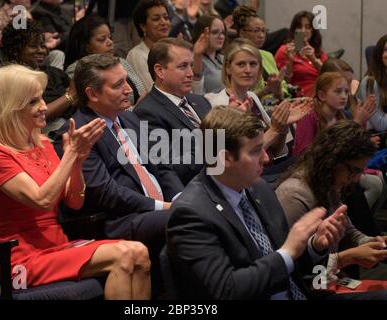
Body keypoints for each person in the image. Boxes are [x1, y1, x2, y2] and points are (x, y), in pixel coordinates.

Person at [0, 64, 151, 299]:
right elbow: (42, 200)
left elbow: (74, 202)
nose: (43, 107)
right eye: (32, 102)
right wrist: (70, 155)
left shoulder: (43, 144)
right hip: (22, 261)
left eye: (41, 99)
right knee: (124, 255)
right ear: (11, 107)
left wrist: (77, 161)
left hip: (58, 246)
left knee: (139, 253)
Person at [166, 106, 368, 300]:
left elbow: (292, 266)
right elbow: (227, 290)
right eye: (256, 151)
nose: (265, 159)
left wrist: (315, 247)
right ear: (225, 158)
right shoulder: (191, 214)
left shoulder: (258, 188)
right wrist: (288, 251)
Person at [53, 54, 184, 265]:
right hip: (119, 220)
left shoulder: (129, 118)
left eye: (126, 80)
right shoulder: (77, 135)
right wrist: (163, 207)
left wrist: (178, 198)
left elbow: (161, 166)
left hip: (157, 208)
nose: (129, 89)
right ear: (93, 94)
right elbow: (105, 193)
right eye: (118, 85)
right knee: (188, 218)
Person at [276, 120, 387, 283]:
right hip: (311, 287)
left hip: (326, 279)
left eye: (360, 171)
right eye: (353, 170)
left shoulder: (328, 181)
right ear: (333, 160)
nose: (356, 178)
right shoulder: (294, 195)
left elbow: (348, 230)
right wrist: (346, 258)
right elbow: (295, 271)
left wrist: (372, 243)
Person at [204, 40, 311, 161]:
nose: (248, 70)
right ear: (228, 68)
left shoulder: (252, 96)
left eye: (253, 64)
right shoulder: (219, 103)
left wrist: (283, 126)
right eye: (241, 64)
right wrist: (275, 130)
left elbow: (276, 151)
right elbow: (235, 157)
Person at [134, 37, 212, 185]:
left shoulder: (201, 102)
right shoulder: (146, 112)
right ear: (160, 71)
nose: (190, 73)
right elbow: (171, 170)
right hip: (194, 191)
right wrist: (214, 143)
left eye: (191, 65)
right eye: (183, 67)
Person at [1, 20, 75, 134]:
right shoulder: (10, 80)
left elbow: (77, 97)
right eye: (33, 46)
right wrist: (69, 97)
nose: (41, 51)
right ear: (16, 49)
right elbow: (32, 116)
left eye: (42, 45)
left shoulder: (54, 73)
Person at [64, 16, 146, 105]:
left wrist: (143, 111)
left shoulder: (121, 61)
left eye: (110, 37)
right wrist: (137, 111)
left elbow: (143, 94)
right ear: (86, 46)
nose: (110, 42)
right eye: (102, 39)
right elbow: (98, 107)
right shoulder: (76, 70)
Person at [232, 5, 288, 105]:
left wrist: (278, 89)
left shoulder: (267, 55)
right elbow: (240, 97)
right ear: (242, 33)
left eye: (263, 31)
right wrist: (267, 90)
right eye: (256, 31)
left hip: (274, 105)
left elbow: (283, 87)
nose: (262, 35)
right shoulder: (236, 57)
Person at [275, 10, 328, 97]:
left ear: (313, 31)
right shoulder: (284, 50)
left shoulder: (319, 53)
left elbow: (330, 79)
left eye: (307, 27)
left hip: (320, 97)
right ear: (294, 30)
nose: (303, 31)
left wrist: (314, 60)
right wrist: (290, 62)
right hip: (297, 98)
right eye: (299, 27)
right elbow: (281, 85)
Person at [127, 0, 171, 91]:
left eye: (166, 18)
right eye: (156, 19)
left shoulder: (172, 50)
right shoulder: (136, 55)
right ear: (143, 26)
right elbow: (153, 91)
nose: (163, 22)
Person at [357, 34, 387, 132]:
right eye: (386, 50)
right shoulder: (370, 82)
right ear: (380, 55)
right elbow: (380, 125)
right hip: (377, 141)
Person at [190, 14, 226, 94]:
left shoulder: (223, 58)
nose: (221, 36)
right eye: (215, 32)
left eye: (223, 32)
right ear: (201, 34)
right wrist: (197, 56)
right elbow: (196, 93)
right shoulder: (194, 59)